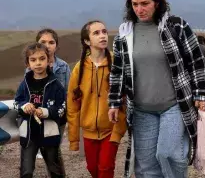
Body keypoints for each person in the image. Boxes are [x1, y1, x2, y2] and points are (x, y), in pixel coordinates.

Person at [108, 0, 205, 178]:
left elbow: (197, 61)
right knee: (146, 167)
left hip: (173, 105)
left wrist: (202, 95)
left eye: (144, 3)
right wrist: (113, 102)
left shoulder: (176, 26)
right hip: (141, 110)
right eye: (135, 4)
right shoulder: (124, 34)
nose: (139, 9)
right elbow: (117, 71)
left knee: (169, 154)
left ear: (157, 2)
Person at [67, 20, 127, 178]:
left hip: (110, 129)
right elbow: (72, 106)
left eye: (104, 31)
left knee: (106, 169)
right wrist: (74, 139)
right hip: (88, 132)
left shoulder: (117, 64)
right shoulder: (79, 69)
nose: (103, 36)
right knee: (92, 168)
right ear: (87, 41)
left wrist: (118, 130)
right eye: (96, 33)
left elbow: (125, 100)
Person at [14, 43, 66, 178]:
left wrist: (47, 112)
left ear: (49, 60)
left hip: (49, 134)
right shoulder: (24, 84)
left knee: (55, 170)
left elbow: (62, 108)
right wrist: (24, 106)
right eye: (33, 60)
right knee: (26, 171)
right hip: (29, 135)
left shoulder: (56, 85)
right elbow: (16, 103)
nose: (38, 63)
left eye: (42, 59)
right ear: (27, 64)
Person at [27, 28, 70, 161]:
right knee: (41, 150)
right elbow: (27, 92)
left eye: (51, 42)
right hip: (38, 116)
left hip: (57, 115)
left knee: (54, 151)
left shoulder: (63, 67)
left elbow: (68, 92)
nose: (47, 45)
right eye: (43, 42)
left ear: (56, 45)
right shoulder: (30, 68)